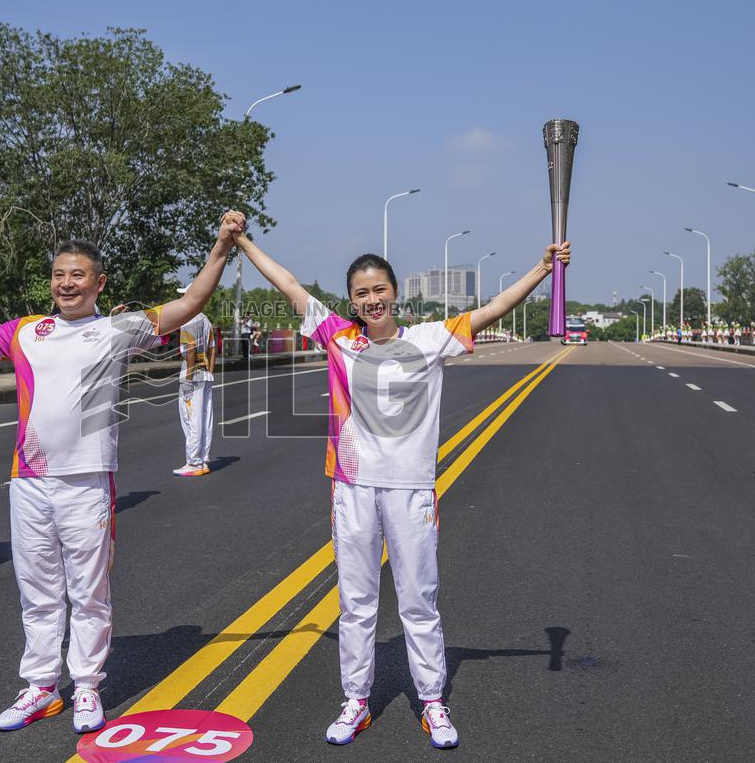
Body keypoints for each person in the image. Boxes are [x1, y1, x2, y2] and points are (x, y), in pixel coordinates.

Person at [0, 211, 244, 734]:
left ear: (98, 282)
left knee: (88, 591)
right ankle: (39, 687)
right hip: (30, 481)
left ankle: (84, 687)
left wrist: (221, 246)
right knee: (35, 590)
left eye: (77, 275)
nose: (66, 284)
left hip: (86, 481)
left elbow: (190, 302)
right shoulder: (26, 331)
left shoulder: (116, 330)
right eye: (59, 275)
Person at [233, 226, 570, 750]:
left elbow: (493, 309)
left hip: (411, 489)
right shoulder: (337, 337)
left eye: (379, 289)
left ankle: (432, 700)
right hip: (353, 488)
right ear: (352, 300)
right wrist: (246, 244)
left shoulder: (428, 339)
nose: (371, 299)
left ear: (395, 293)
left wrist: (541, 270)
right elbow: (290, 285)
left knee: (419, 601)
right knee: (356, 602)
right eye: (361, 293)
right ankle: (355, 700)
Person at [173, 285, 216, 477]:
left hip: (193, 374)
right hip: (205, 373)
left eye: (184, 296)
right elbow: (213, 349)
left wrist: (188, 380)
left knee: (191, 418)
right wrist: (210, 371)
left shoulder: (187, 321)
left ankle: (194, 462)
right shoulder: (205, 320)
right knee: (205, 418)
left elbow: (190, 352)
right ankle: (203, 459)